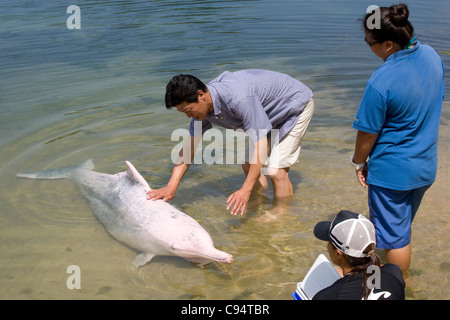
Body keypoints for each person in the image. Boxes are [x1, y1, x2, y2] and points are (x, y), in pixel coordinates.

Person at [351, 4, 445, 274]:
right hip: (425, 168)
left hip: (392, 174)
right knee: (398, 229)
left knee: (396, 240)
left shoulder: (381, 81)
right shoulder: (431, 56)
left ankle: (397, 287)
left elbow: (367, 133)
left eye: (371, 44)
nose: (369, 48)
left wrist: (358, 162)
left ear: (389, 44)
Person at [146, 69, 314, 216]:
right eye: (183, 113)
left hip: (294, 106)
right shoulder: (203, 109)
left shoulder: (238, 99)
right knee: (248, 164)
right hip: (266, 112)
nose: (188, 117)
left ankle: (282, 212)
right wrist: (171, 187)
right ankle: (261, 200)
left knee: (276, 171)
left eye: (189, 110)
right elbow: (189, 147)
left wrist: (244, 189)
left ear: (200, 95)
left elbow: (261, 147)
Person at [313, 210, 405, 300]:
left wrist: (344, 281)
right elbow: (372, 284)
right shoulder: (394, 273)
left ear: (338, 254)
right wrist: (349, 278)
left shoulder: (326, 296)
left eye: (329, 242)